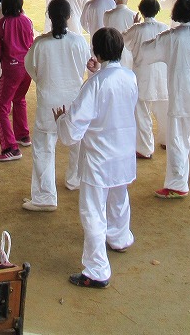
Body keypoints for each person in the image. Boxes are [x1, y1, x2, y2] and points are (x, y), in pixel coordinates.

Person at [55, 27, 138, 289]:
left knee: (92, 211)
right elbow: (112, 103)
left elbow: (73, 130)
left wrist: (61, 121)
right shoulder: (129, 77)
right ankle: (120, 238)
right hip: (123, 152)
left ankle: (97, 270)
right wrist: (96, 74)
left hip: (99, 158)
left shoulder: (95, 84)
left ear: (97, 53)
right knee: (119, 199)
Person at [137, 0, 190, 198]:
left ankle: (177, 184)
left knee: (178, 140)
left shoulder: (170, 36)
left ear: (176, 12)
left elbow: (145, 51)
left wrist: (146, 30)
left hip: (181, 94)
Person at [23, 0, 91, 211]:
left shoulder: (40, 44)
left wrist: (44, 82)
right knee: (77, 141)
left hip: (49, 101)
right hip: (73, 99)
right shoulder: (78, 42)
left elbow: (31, 68)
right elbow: (87, 66)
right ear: (69, 16)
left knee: (44, 147)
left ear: (49, 17)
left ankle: (45, 196)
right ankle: (75, 179)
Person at [0, 0, 35, 162]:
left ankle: (10, 147)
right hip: (27, 68)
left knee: (1, 107)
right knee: (19, 99)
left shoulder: (0, 24)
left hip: (12, 70)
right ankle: (23, 135)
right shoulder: (27, 21)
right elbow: (30, 43)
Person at [122, 0, 169, 160]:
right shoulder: (165, 28)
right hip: (161, 74)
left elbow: (123, 40)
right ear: (157, 10)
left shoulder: (136, 29)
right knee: (164, 110)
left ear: (141, 11)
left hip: (143, 74)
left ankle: (144, 148)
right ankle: (167, 140)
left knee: (142, 112)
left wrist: (134, 25)